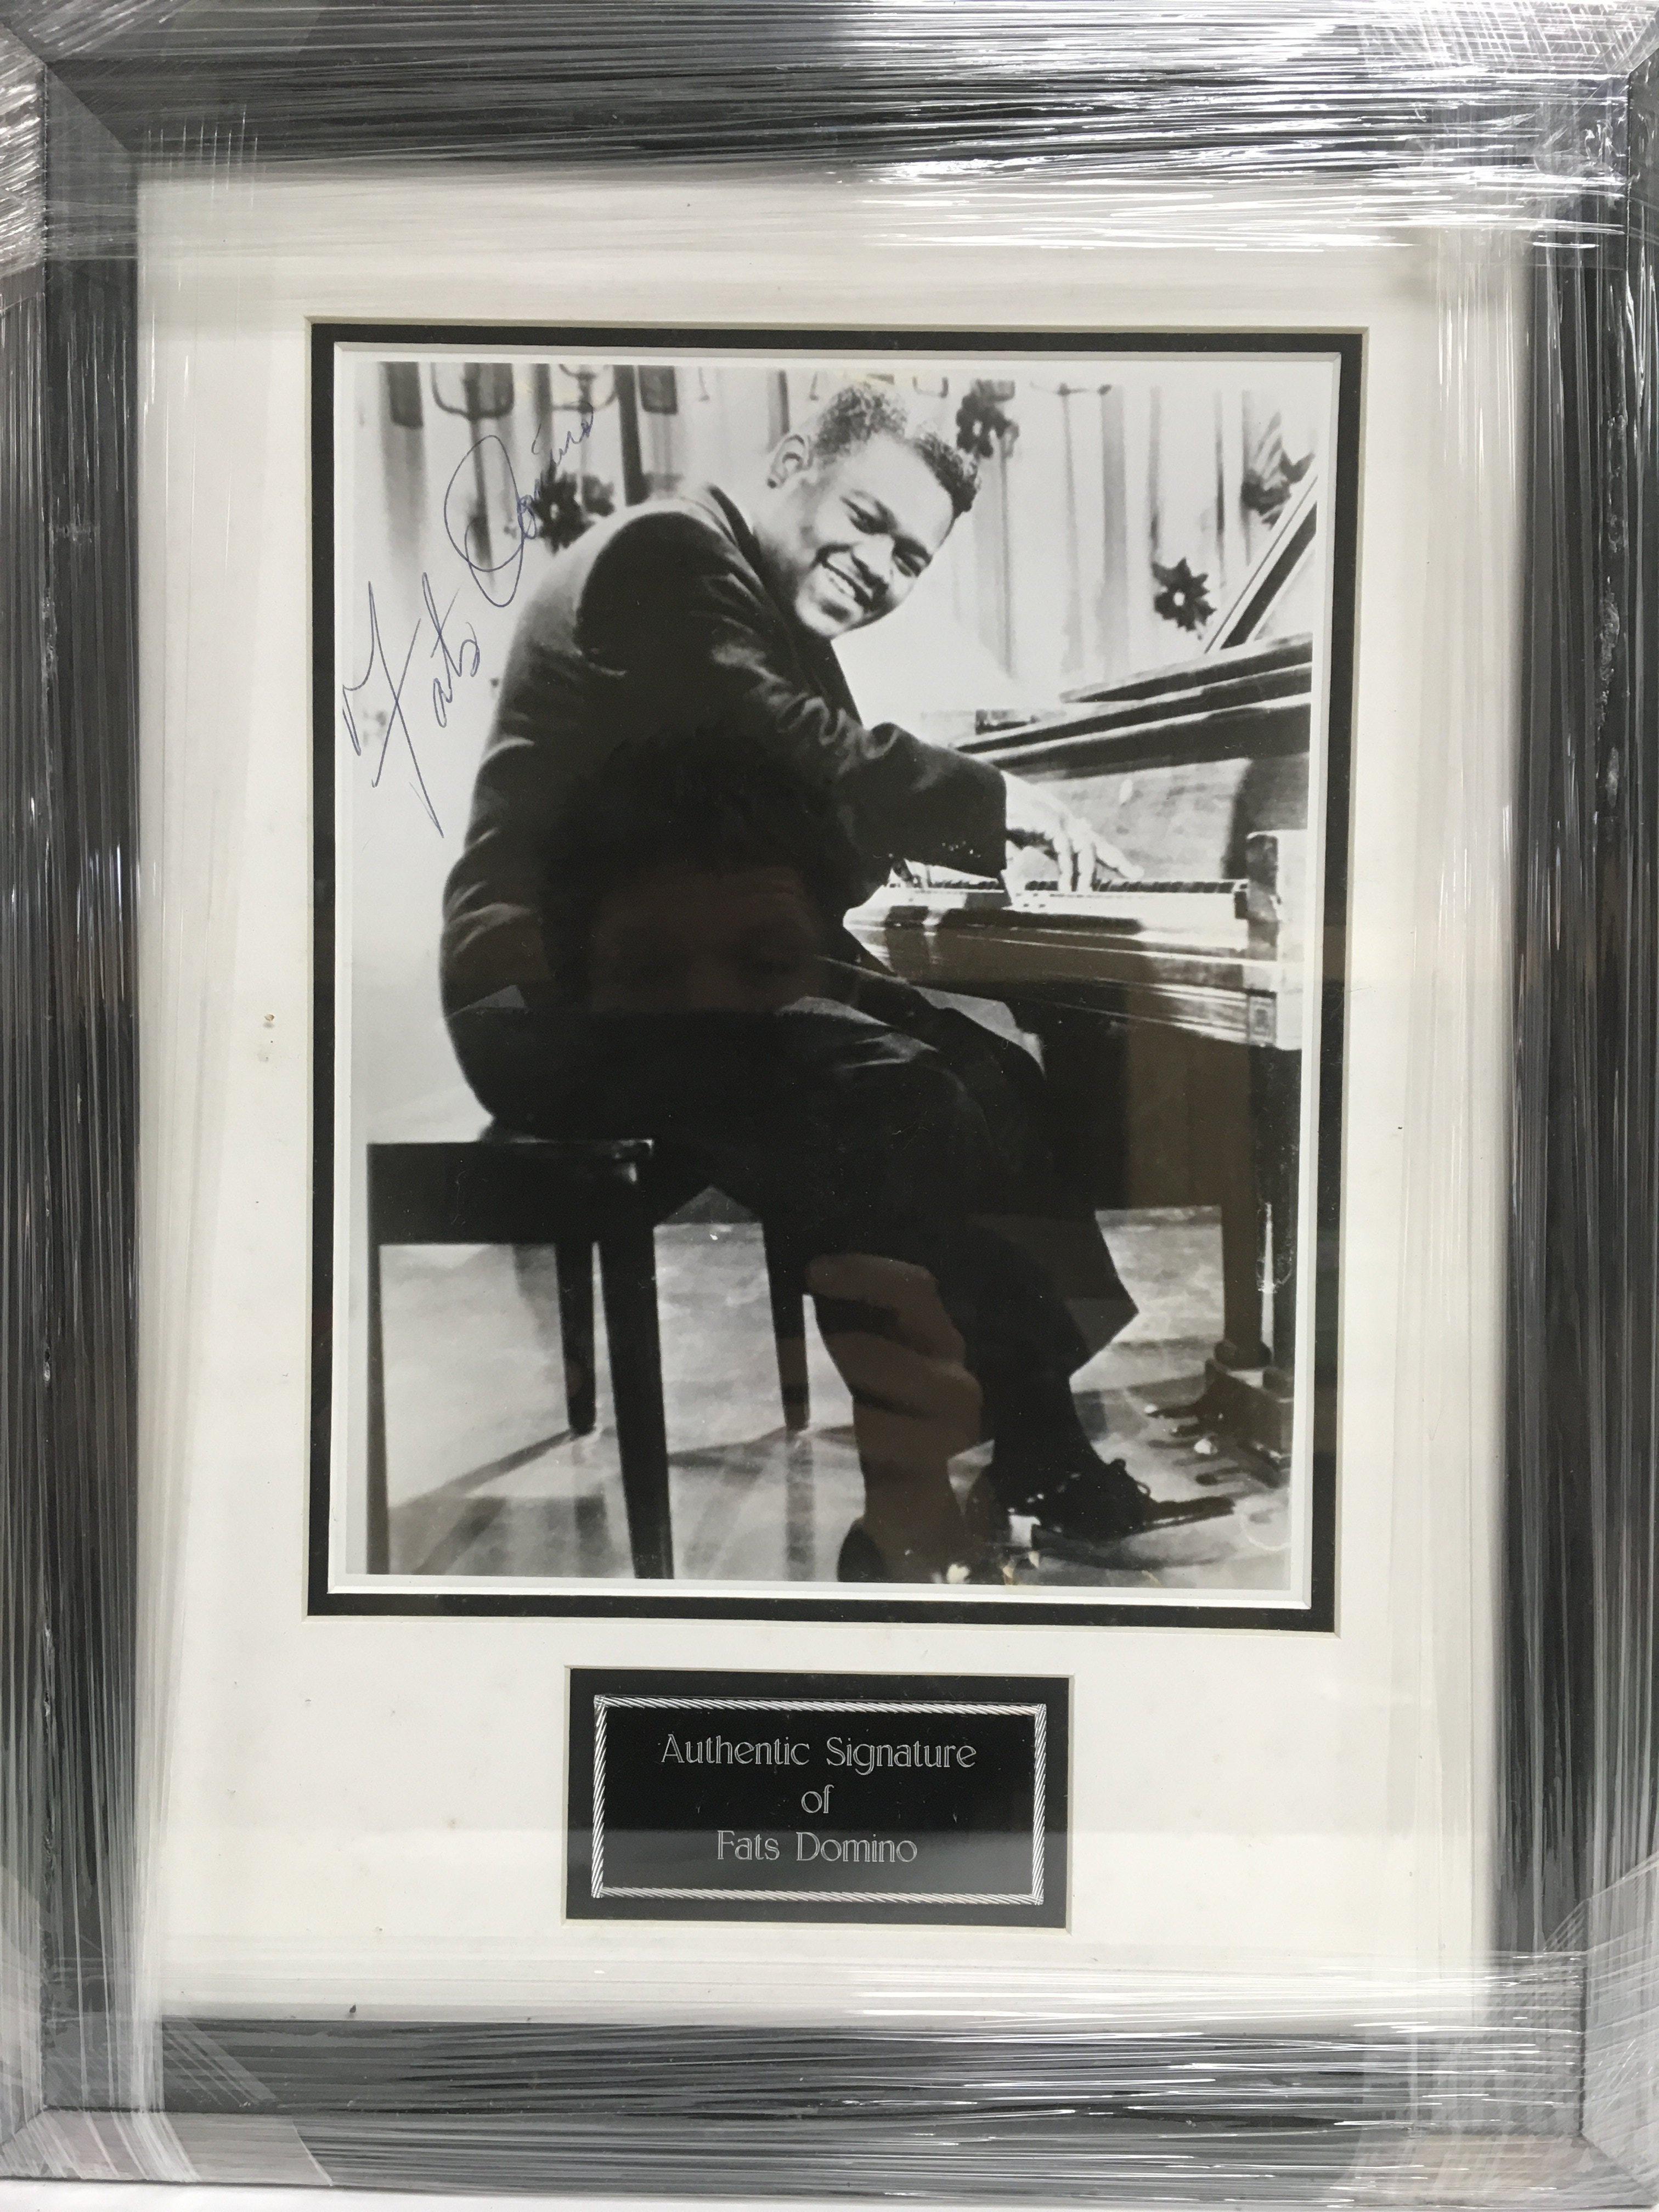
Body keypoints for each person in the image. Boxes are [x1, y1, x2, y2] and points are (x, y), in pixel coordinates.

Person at [440, 386, 1218, 1578]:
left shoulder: (773, 624)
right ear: (793, 460)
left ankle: (1042, 1451)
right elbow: (780, 745)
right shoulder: (666, 554)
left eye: (911, 557)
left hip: (679, 974)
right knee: (878, 1089)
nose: (878, 566)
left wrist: (909, 840)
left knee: (992, 1069)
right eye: (866, 519)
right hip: (547, 993)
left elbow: (828, 842)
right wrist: (989, 806)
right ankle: (906, 1516)